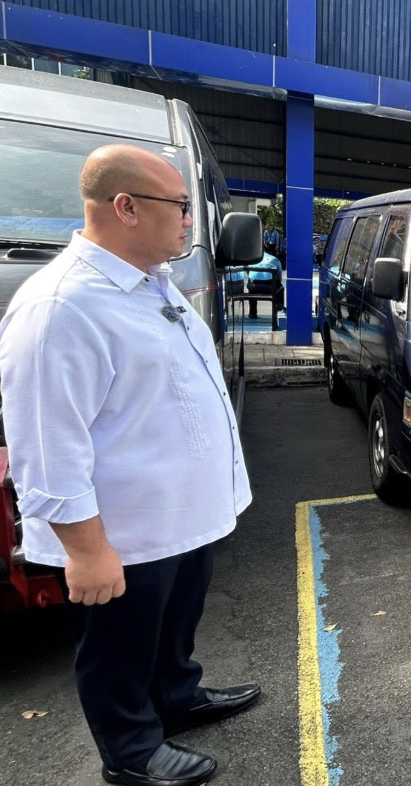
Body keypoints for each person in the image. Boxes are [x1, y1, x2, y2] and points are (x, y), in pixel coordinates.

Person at [0, 144, 260, 786]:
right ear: (126, 207)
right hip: (122, 533)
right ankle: (131, 751)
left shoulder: (151, 285)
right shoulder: (61, 306)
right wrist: (86, 551)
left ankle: (176, 697)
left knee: (172, 628)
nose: (189, 221)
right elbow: (46, 444)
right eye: (180, 206)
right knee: (117, 646)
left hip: (179, 521)